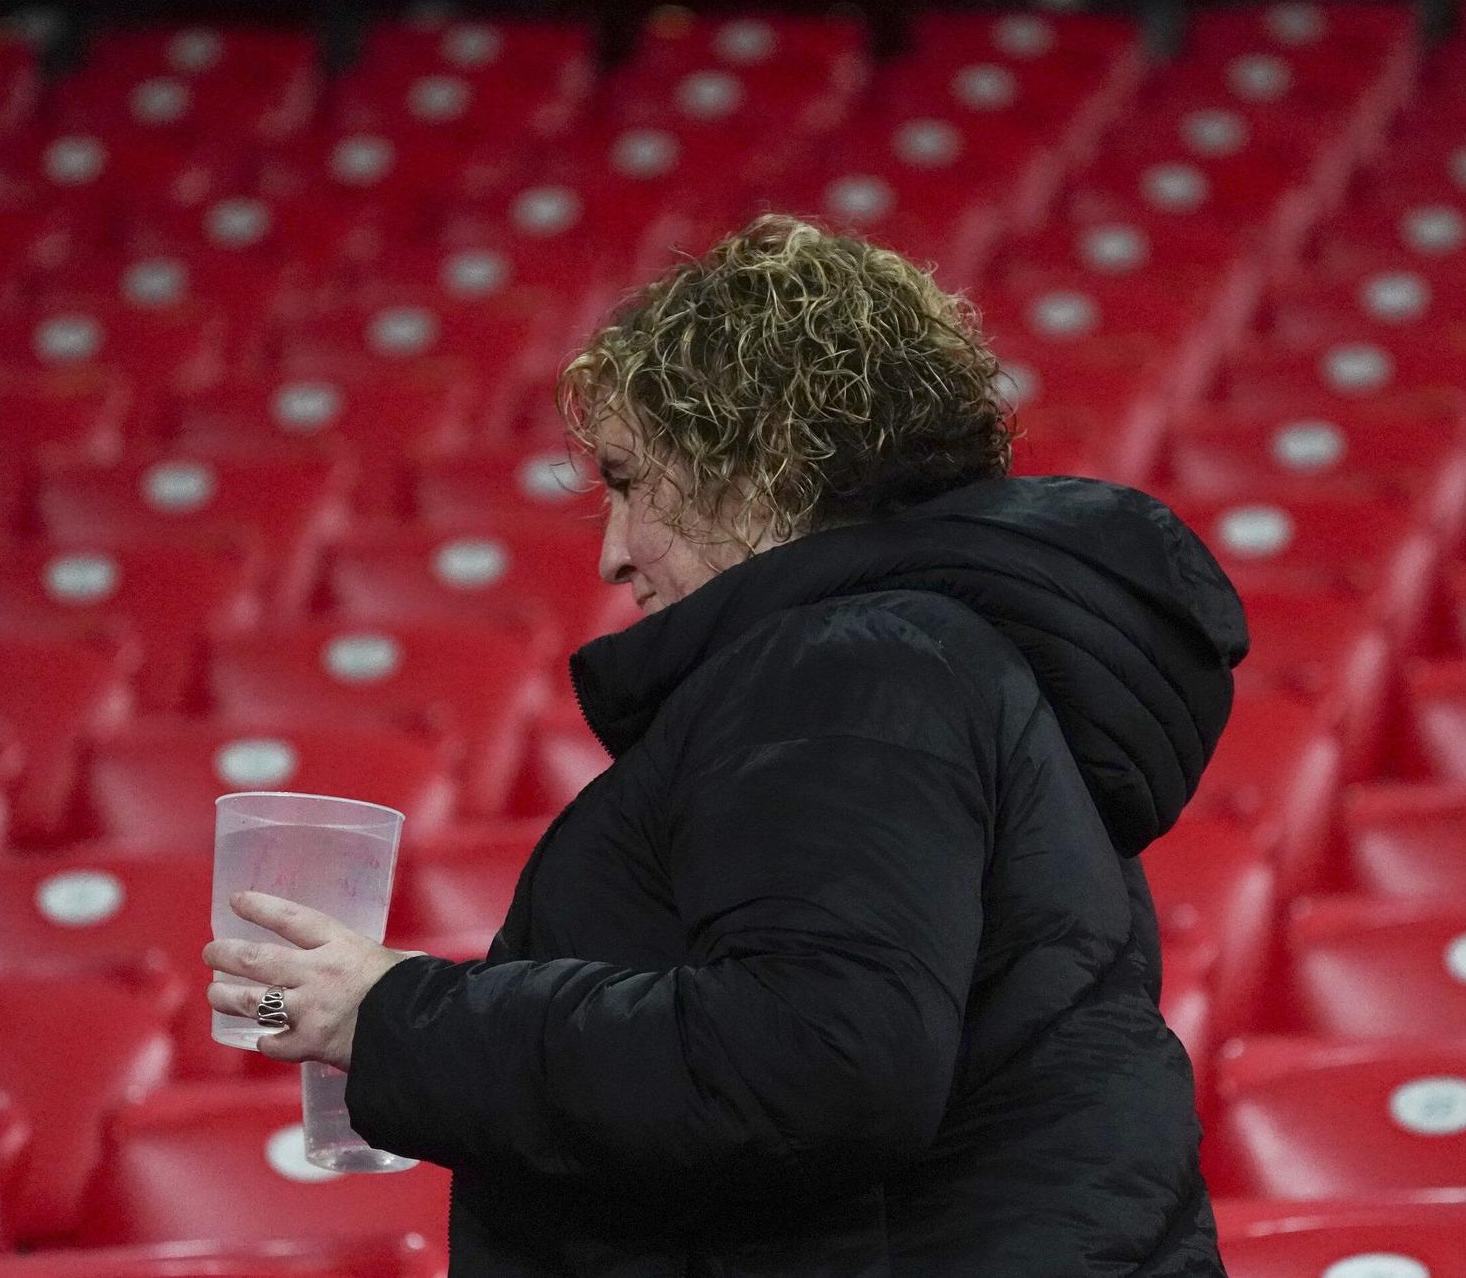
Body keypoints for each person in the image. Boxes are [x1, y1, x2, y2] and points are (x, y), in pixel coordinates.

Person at [208, 214, 1246, 1274]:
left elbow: (819, 1058)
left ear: (754, 455)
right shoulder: (918, 657)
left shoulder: (853, 662)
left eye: (625, 480)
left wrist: (392, 1018)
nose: (612, 557)